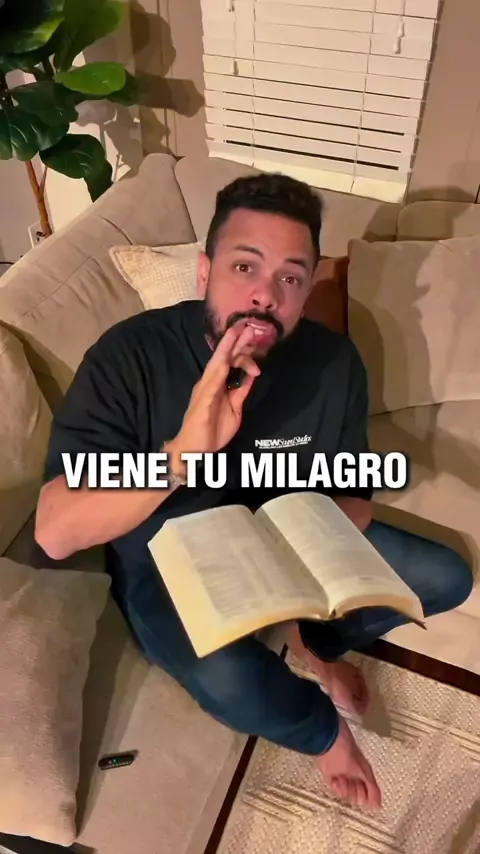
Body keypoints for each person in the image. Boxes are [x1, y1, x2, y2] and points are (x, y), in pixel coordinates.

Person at [35, 172, 474, 811]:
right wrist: (181, 456)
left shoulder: (334, 364)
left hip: (287, 536)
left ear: (306, 290)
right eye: (245, 267)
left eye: (290, 278)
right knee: (228, 678)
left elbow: (351, 489)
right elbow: (54, 529)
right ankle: (323, 733)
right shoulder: (129, 357)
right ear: (204, 272)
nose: (265, 295)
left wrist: (325, 553)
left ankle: (314, 645)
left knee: (445, 576)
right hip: (167, 561)